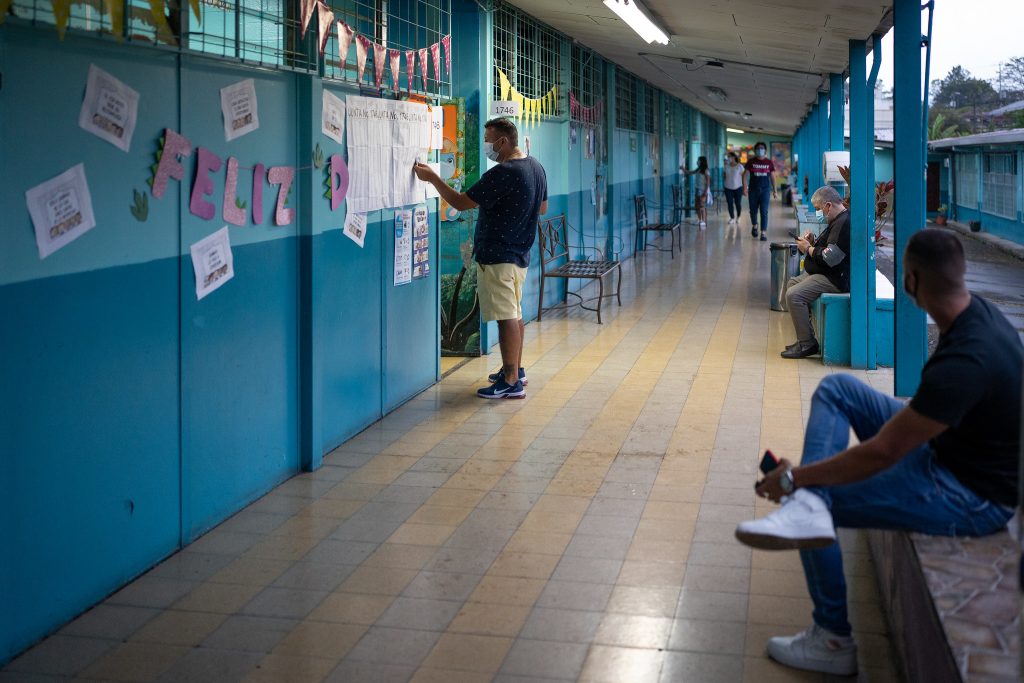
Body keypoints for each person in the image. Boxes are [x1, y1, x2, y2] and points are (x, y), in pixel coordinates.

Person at [734, 228, 1022, 677]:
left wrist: (798, 479)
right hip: (951, 451)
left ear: (910, 282)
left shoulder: (967, 358)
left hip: (972, 496)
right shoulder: (976, 314)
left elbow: (886, 451)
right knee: (837, 389)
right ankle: (808, 505)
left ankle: (832, 638)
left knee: (813, 502)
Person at [414, 118, 548, 399]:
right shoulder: (535, 167)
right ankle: (515, 370)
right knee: (515, 314)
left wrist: (433, 179)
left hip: (499, 256)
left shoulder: (505, 172)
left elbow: (462, 202)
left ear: (502, 141)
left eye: (489, 140)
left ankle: (510, 381)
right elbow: (543, 207)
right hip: (520, 253)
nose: (487, 145)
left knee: (506, 317)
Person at [781, 186, 851, 359]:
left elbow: (831, 257)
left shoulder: (843, 223)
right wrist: (813, 242)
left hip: (834, 278)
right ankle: (806, 335)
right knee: (792, 283)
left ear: (828, 205)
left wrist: (809, 248)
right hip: (823, 273)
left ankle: (807, 344)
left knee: (794, 295)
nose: (819, 213)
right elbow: (827, 247)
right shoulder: (835, 221)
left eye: (819, 209)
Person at [743, 142, 777, 241]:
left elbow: (773, 176)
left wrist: (774, 190)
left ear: (765, 150)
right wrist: (745, 188)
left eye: (762, 148)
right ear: (755, 150)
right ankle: (754, 225)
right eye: (758, 148)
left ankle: (763, 233)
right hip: (753, 190)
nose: (760, 150)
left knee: (764, 211)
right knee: (753, 211)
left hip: (765, 190)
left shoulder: (769, 162)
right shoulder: (751, 162)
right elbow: (744, 175)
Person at [681, 156, 711, 228]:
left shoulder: (706, 170)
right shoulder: (699, 169)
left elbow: (708, 182)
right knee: (697, 206)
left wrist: (705, 192)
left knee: (702, 206)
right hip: (697, 189)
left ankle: (703, 221)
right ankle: (699, 219)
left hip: (702, 190)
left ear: (702, 161)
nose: (697, 161)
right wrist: (683, 169)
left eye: (699, 160)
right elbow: (691, 172)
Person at [722, 152, 744, 225]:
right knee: (729, 203)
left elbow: (743, 177)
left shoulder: (740, 166)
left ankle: (738, 216)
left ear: (734, 157)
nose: (728, 158)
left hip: (738, 187)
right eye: (728, 157)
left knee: (738, 203)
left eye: (729, 157)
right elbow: (724, 176)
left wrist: (745, 187)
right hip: (728, 188)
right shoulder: (726, 166)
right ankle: (732, 218)